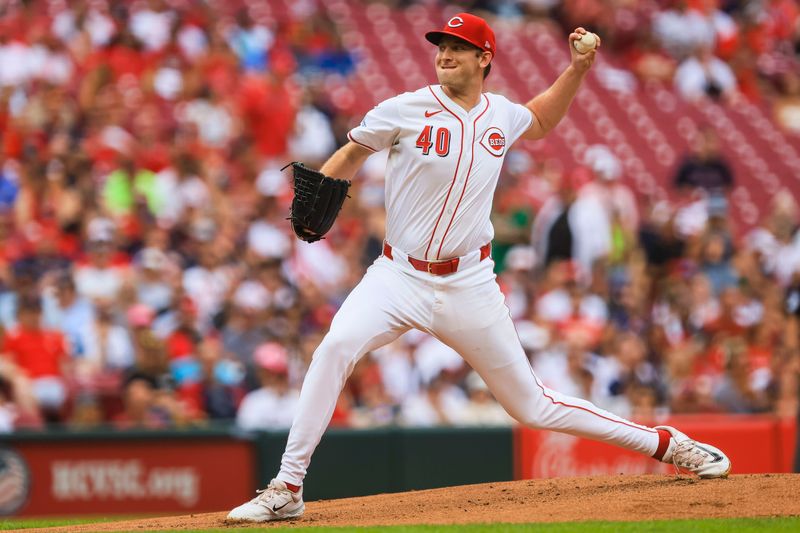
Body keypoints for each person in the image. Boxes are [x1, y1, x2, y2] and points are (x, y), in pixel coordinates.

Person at [228, 13, 731, 523]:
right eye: (441, 46)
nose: (444, 54)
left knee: (531, 406)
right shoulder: (405, 108)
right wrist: (317, 189)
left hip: (469, 282)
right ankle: (287, 486)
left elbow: (539, 120)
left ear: (484, 58)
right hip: (397, 275)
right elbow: (355, 150)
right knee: (335, 346)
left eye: (457, 47)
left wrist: (578, 68)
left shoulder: (501, 114)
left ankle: (666, 444)